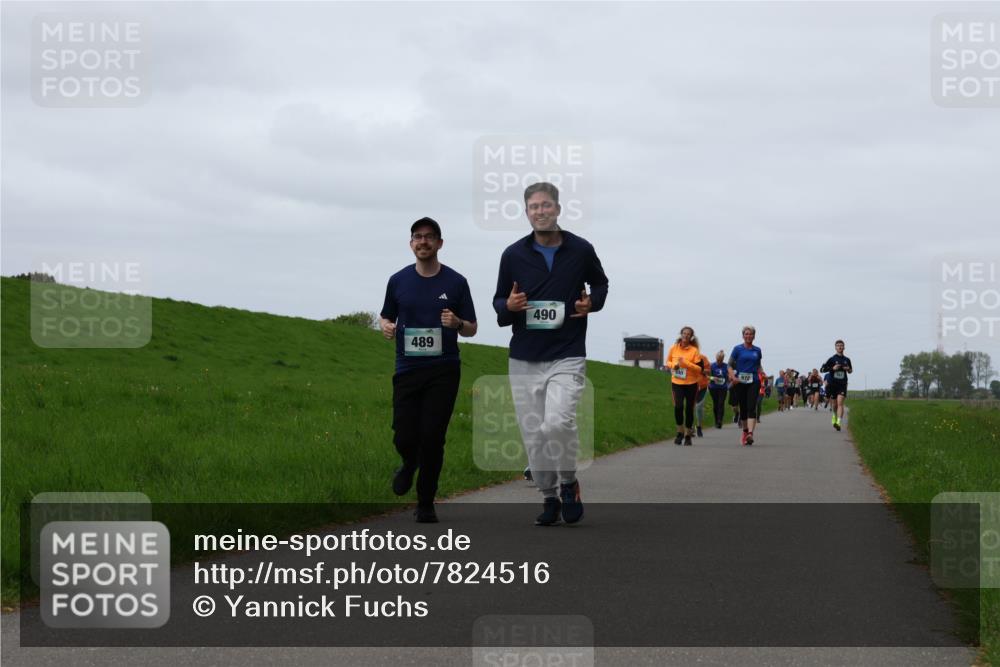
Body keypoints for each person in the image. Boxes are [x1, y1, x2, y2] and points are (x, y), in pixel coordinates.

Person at [493, 182, 609, 526]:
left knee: (557, 422)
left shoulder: (581, 249)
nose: (540, 212)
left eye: (546, 205)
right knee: (533, 433)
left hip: (567, 352)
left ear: (558, 209)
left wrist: (593, 303)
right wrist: (509, 306)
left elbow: (601, 284)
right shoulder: (512, 255)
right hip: (525, 356)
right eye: (533, 207)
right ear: (526, 212)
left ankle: (568, 482)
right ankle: (548, 497)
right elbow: (500, 303)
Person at [380, 217, 478, 523]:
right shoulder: (398, 281)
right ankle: (409, 464)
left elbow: (472, 328)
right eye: (417, 237)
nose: (423, 242)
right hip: (407, 368)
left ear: (439, 243)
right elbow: (385, 316)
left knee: (433, 436)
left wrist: (458, 323)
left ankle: (425, 501)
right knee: (404, 435)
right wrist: (386, 326)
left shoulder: (456, 282)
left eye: (429, 237)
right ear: (411, 243)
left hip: (443, 370)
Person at [728, 326, 763, 446]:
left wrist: (762, 373)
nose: (748, 336)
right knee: (743, 408)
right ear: (743, 336)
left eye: (751, 334)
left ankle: (750, 434)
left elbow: (758, 365)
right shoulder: (737, 349)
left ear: (754, 336)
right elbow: (729, 365)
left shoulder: (757, 350)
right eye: (746, 334)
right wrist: (733, 377)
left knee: (751, 407)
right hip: (740, 382)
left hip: (753, 381)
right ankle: (745, 431)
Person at [820, 339, 853, 431]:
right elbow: (822, 369)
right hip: (832, 384)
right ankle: (834, 416)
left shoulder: (847, 359)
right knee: (834, 405)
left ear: (844, 347)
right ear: (835, 348)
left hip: (842, 384)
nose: (840, 347)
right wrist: (832, 368)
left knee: (840, 403)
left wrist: (848, 369)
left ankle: (838, 422)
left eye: (841, 345)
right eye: (838, 345)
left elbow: (851, 371)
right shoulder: (831, 359)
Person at [708, 350, 729, 428]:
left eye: (721, 360)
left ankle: (720, 421)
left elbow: (729, 376)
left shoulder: (726, 366)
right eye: (718, 360)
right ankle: (716, 420)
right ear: (716, 359)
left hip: (723, 388)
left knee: (721, 404)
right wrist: (713, 378)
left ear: (723, 359)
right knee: (715, 404)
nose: (719, 362)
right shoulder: (712, 366)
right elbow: (707, 376)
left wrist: (729, 379)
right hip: (713, 388)